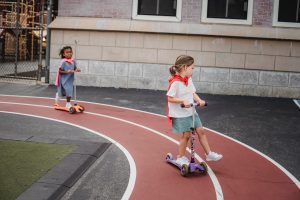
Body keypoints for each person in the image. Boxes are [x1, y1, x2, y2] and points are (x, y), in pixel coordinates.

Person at [166, 55, 223, 165]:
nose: (193, 70)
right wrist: (182, 101)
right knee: (186, 135)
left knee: (201, 131)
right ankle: (180, 157)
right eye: (192, 68)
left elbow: (192, 92)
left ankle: (209, 154)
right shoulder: (175, 82)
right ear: (184, 67)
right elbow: (170, 98)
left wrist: (200, 100)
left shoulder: (188, 80)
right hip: (180, 113)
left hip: (191, 111)